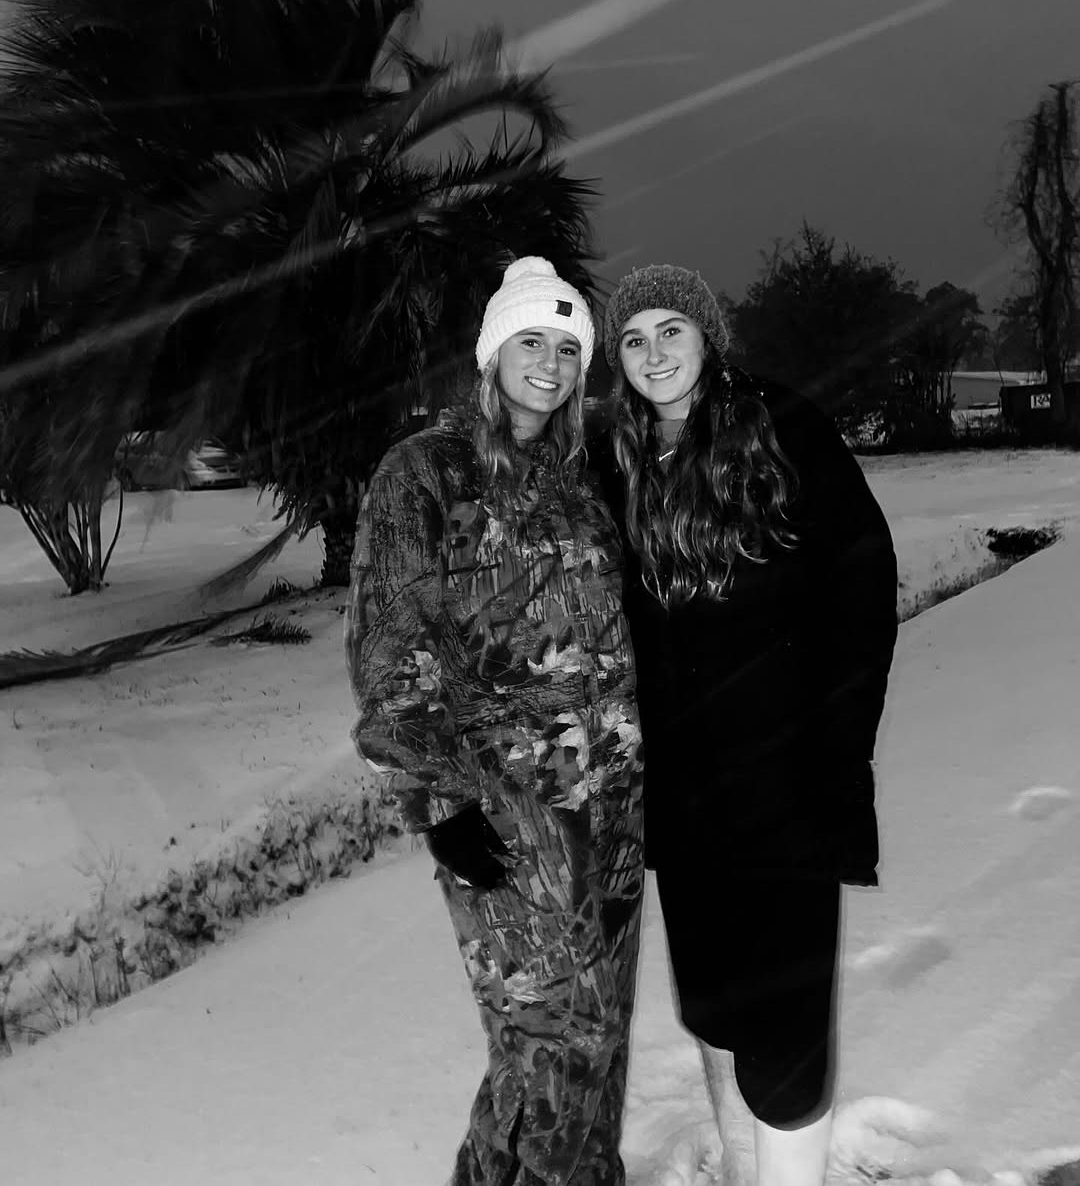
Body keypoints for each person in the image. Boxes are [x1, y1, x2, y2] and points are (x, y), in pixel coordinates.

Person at [344, 257, 645, 1186]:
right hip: (508, 805)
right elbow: (391, 643)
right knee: (551, 1037)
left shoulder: (585, 470)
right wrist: (439, 801)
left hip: (615, 802)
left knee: (601, 1033)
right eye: (531, 342)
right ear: (492, 351)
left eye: (568, 347)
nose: (550, 364)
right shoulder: (424, 472)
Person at [596, 264, 898, 1186]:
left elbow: (862, 589)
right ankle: (741, 1167)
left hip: (786, 782)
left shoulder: (781, 426)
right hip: (683, 797)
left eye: (671, 331)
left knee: (788, 1017)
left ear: (707, 336)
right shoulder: (614, 458)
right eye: (634, 339)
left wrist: (840, 750)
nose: (654, 354)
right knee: (717, 1000)